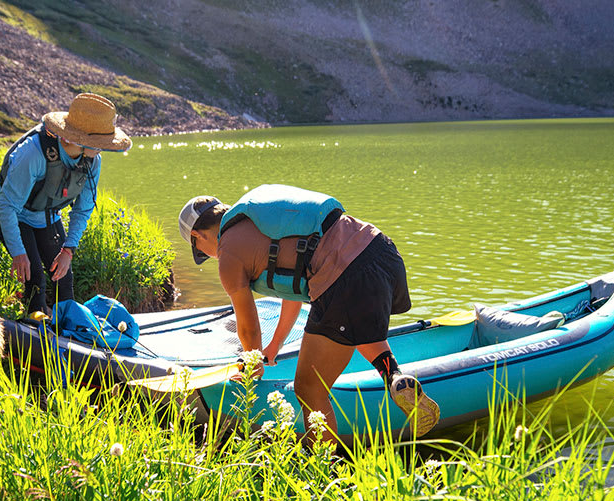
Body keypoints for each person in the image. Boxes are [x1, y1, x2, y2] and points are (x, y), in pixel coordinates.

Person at [178, 184, 440, 441]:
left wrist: (253, 365)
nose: (207, 256)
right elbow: (292, 291)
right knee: (355, 327)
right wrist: (275, 345)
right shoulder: (263, 222)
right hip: (379, 250)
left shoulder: (229, 253)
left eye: (200, 252)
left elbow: (248, 328)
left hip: (344, 276)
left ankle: (325, 470)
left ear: (198, 236)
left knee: (308, 387)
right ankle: (395, 377)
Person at [0, 93, 132, 315]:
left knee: (63, 278)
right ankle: (35, 327)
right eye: (99, 144)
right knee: (34, 275)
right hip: (11, 213)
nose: (102, 149)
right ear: (76, 140)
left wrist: (68, 250)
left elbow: (83, 209)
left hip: (46, 215)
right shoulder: (33, 154)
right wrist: (18, 253)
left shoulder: (93, 160)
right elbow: (6, 206)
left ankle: (66, 333)